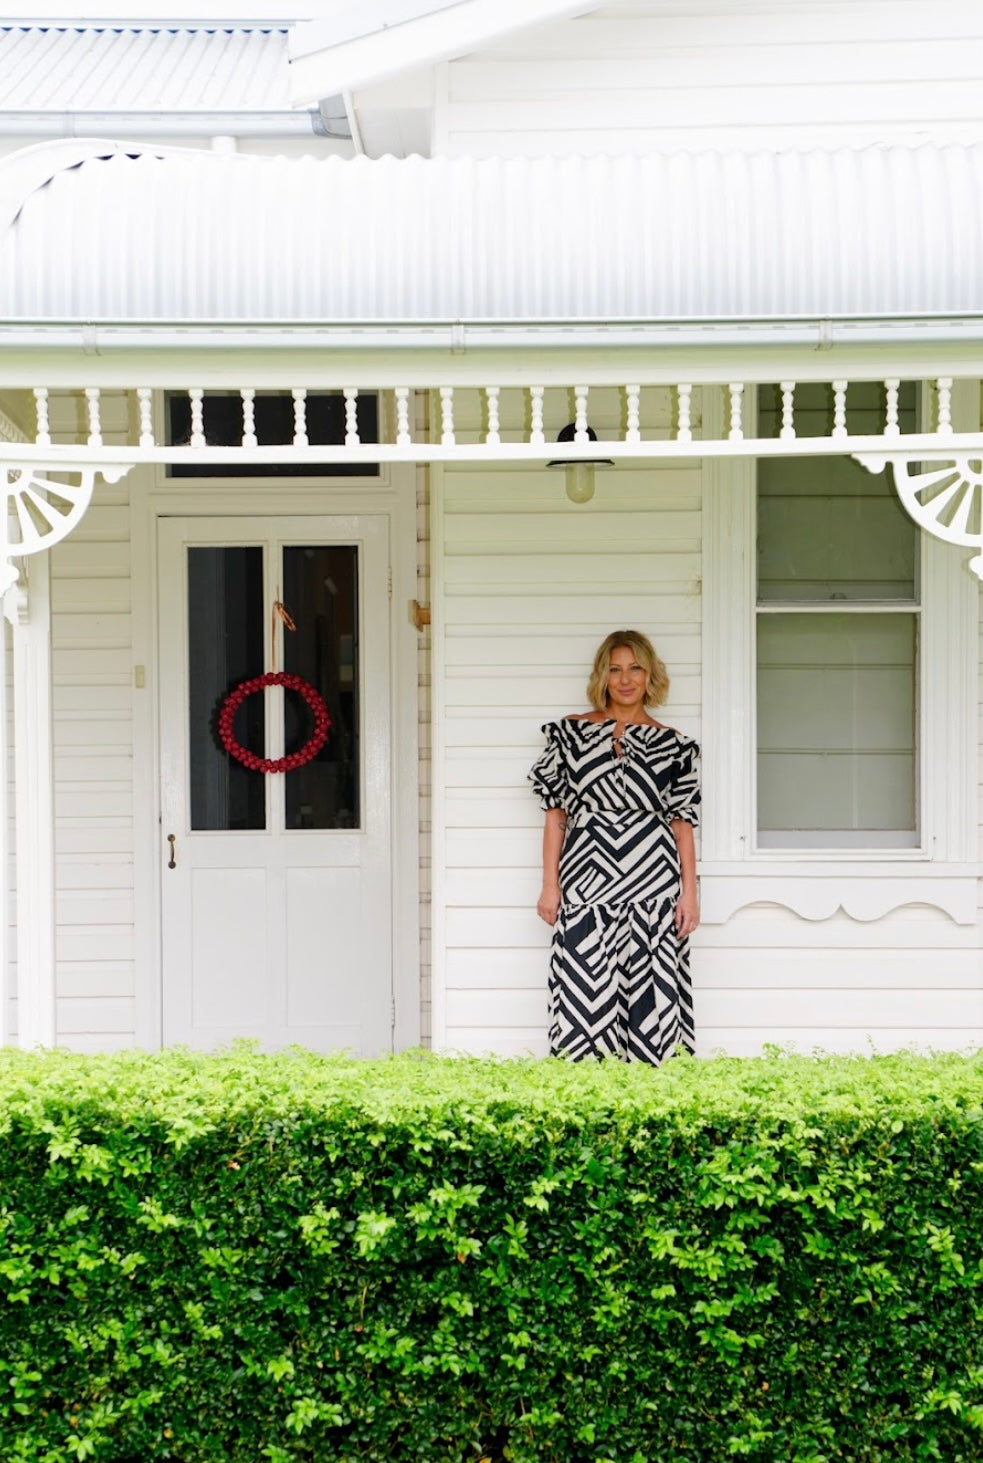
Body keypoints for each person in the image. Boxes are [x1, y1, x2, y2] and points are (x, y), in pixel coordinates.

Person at [529, 630, 700, 1064]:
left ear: (650, 675)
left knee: (651, 988)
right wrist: (550, 885)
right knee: (585, 988)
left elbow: (683, 824)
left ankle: (651, 1095)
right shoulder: (572, 734)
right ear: (603, 676)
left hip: (653, 878)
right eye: (616, 669)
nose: (626, 679)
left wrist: (690, 893)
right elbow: (555, 815)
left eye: (635, 668)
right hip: (588, 875)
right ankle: (586, 1099)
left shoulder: (675, 746)